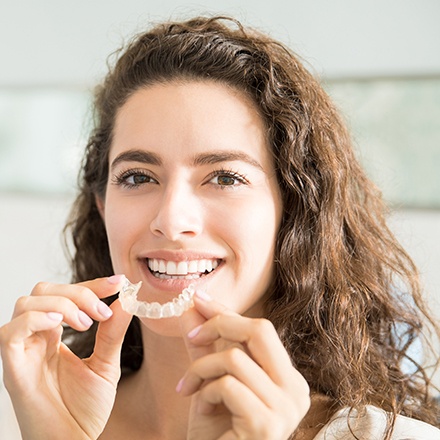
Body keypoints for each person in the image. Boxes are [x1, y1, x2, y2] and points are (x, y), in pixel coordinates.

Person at [0, 15, 439, 440]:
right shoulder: (24, 409)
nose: (171, 222)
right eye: (138, 177)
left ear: (295, 212)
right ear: (102, 206)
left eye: (225, 177)